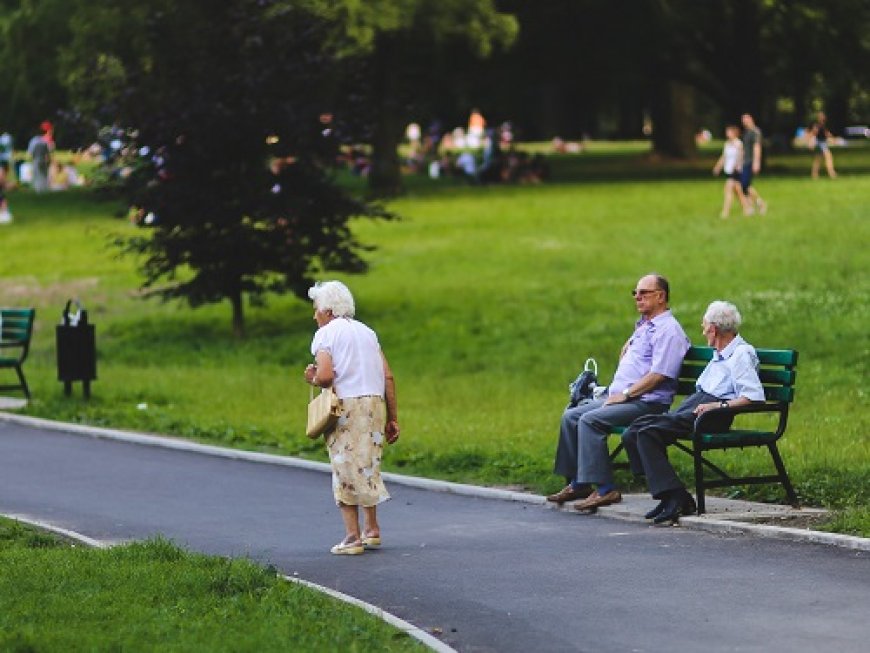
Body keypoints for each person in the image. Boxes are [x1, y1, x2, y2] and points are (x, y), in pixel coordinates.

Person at [548, 274, 690, 511]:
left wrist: (625, 394)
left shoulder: (669, 330)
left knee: (590, 420)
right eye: (635, 293)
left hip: (646, 403)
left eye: (643, 293)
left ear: (661, 296)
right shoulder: (645, 326)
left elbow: (660, 375)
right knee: (571, 415)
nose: (637, 297)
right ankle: (579, 482)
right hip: (625, 398)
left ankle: (605, 489)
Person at [620, 301, 765, 524]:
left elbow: (753, 396)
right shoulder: (720, 353)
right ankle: (668, 494)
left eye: (704, 326)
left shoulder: (741, 354)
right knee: (634, 431)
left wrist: (718, 406)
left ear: (714, 329)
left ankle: (676, 496)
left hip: (712, 414)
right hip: (697, 406)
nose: (703, 330)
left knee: (649, 433)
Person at [303, 281, 400, 555]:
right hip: (374, 405)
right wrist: (393, 418)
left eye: (316, 310)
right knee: (367, 464)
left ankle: (352, 537)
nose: (314, 316)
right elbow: (388, 376)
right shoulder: (368, 332)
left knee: (344, 467)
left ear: (328, 310)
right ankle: (372, 530)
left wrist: (311, 377)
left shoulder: (325, 335)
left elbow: (325, 376)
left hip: (347, 407)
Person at [712, 125, 750, 218]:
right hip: (729, 170)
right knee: (738, 192)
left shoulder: (738, 144)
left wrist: (737, 165)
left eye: (729, 132)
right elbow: (724, 157)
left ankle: (725, 212)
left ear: (734, 133)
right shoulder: (727, 144)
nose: (727, 133)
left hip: (735, 170)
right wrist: (718, 167)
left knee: (728, 190)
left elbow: (741, 155)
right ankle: (747, 209)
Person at [740, 113, 767, 215]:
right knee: (745, 185)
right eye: (743, 119)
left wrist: (756, 162)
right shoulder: (746, 132)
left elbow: (757, 147)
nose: (744, 121)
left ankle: (759, 203)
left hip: (751, 161)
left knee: (745, 184)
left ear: (751, 119)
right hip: (745, 161)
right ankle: (751, 207)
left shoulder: (755, 132)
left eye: (746, 119)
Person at [808, 111, 837, 179]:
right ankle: (832, 173)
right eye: (821, 116)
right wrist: (811, 142)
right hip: (820, 143)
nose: (823, 117)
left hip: (822, 142)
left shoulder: (823, 125)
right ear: (819, 118)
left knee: (818, 159)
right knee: (828, 157)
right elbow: (813, 133)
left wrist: (832, 138)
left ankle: (814, 174)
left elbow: (826, 133)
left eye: (823, 116)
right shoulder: (817, 125)